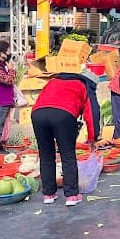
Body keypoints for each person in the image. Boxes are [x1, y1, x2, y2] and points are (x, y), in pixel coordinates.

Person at [31, 71, 100, 207]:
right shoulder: (84, 85)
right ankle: (72, 195)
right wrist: (93, 138)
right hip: (63, 114)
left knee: (46, 155)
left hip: (38, 113)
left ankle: (49, 194)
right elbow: (92, 114)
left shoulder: (54, 81)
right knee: (67, 155)